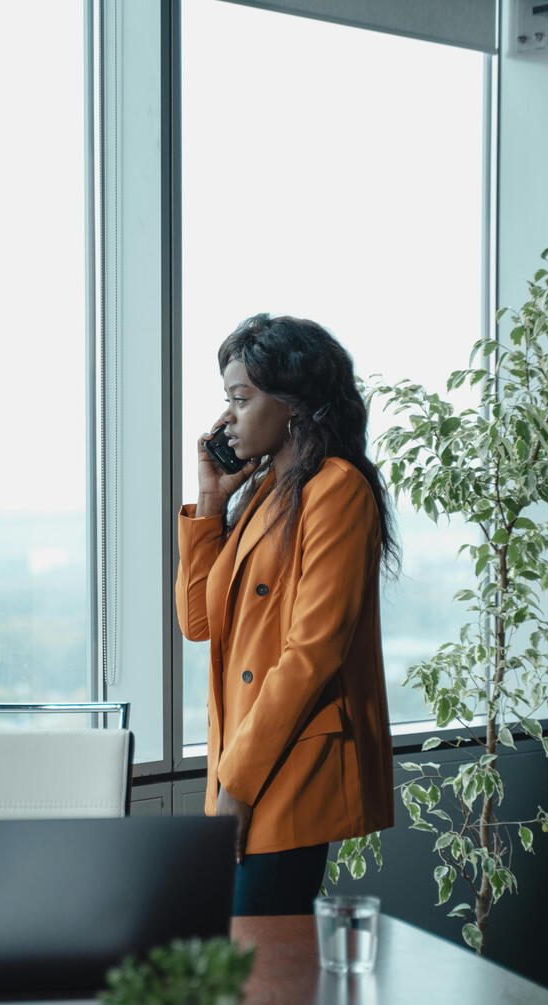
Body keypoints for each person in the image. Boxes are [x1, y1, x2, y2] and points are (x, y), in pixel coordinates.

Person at [175, 313, 400, 917]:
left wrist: (238, 785)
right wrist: (211, 505)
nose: (226, 418)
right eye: (227, 400)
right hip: (242, 763)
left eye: (241, 399)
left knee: (259, 961)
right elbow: (199, 623)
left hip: (285, 766)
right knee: (253, 963)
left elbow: (313, 653)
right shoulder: (267, 493)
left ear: (294, 405)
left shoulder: (337, 490)